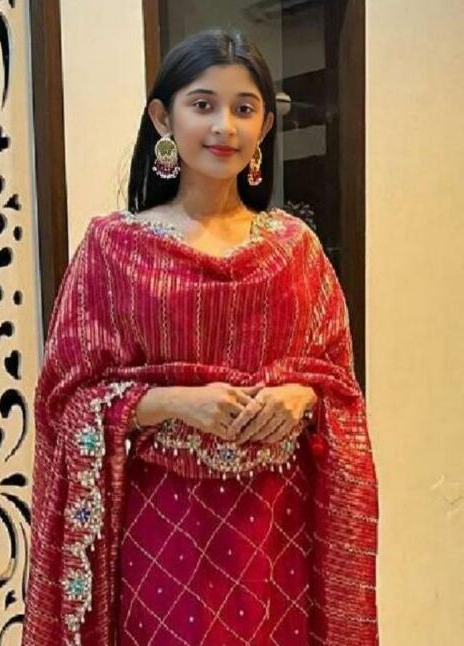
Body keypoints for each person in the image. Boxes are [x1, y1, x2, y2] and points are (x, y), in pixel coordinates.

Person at [21, 28, 379, 646]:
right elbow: (65, 400)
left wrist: (303, 397)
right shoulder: (114, 248)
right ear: (164, 117)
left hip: (275, 526)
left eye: (244, 108)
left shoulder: (296, 251)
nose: (224, 127)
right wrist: (174, 402)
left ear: (265, 127)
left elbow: (337, 386)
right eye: (203, 104)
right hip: (162, 528)